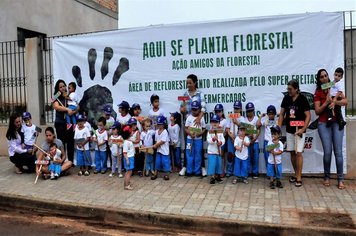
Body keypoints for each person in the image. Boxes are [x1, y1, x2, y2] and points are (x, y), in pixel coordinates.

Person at [314, 69, 348, 190]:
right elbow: (317, 111)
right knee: (327, 151)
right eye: (321, 77)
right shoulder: (318, 92)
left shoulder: (334, 86)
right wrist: (326, 102)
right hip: (323, 123)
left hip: (337, 122)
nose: (324, 78)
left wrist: (335, 102)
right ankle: (327, 177)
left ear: (328, 76)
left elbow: (345, 101)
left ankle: (340, 179)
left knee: (338, 151)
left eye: (325, 76)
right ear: (319, 79)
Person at [278, 79, 311, 187]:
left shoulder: (303, 99)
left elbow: (308, 116)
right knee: (292, 152)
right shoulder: (286, 98)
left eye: (290, 89)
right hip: (289, 130)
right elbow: (282, 114)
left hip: (300, 131)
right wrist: (278, 127)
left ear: (296, 89)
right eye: (288, 89)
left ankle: (299, 177)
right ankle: (297, 173)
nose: (289, 91)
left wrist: (303, 129)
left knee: (299, 153)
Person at [179, 74, 207, 176]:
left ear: (195, 82)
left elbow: (203, 108)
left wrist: (199, 118)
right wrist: (182, 110)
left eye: (190, 83)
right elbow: (181, 107)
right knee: (188, 147)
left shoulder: (200, 94)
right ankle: (186, 167)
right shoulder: (185, 94)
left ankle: (201, 168)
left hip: (198, 124)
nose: (188, 84)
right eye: (187, 83)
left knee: (199, 149)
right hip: (188, 124)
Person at [53, 79, 77, 163]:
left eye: (64, 86)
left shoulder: (70, 95)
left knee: (70, 142)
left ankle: (70, 161)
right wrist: (67, 109)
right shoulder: (56, 96)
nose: (63, 88)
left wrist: (74, 111)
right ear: (57, 88)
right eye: (60, 87)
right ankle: (62, 161)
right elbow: (56, 106)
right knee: (61, 143)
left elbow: (77, 105)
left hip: (69, 123)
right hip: (60, 123)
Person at [184, 101, 206, 176]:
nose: (194, 111)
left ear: (199, 109)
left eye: (196, 109)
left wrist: (200, 133)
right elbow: (186, 128)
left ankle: (197, 171)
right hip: (189, 139)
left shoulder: (201, 118)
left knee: (198, 155)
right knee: (189, 154)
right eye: (193, 109)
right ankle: (189, 171)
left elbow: (204, 129)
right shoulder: (189, 118)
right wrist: (190, 133)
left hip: (198, 140)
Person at [226, 101, 245, 177]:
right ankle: (229, 171)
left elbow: (244, 129)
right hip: (231, 138)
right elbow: (227, 128)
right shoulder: (230, 117)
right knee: (230, 155)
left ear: (240, 109)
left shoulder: (242, 118)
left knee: (239, 155)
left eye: (237, 109)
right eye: (235, 108)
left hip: (239, 139)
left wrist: (237, 123)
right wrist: (230, 135)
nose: (236, 110)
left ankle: (237, 171)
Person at [257, 105, 278, 170]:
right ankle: (269, 173)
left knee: (275, 157)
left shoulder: (277, 121)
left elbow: (285, 117)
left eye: (272, 114)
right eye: (269, 114)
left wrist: (278, 114)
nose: (271, 115)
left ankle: (275, 173)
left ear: (274, 114)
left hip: (274, 142)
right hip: (267, 142)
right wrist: (261, 117)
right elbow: (258, 124)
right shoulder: (265, 121)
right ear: (267, 114)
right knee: (267, 158)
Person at [207, 115, 225, 184]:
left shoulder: (220, 132)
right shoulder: (210, 132)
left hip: (218, 152)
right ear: (211, 123)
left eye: (216, 122)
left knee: (218, 164)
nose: (214, 123)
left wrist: (221, 143)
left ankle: (217, 176)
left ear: (219, 123)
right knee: (212, 164)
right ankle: (212, 177)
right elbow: (208, 140)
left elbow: (223, 140)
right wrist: (213, 139)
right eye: (213, 122)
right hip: (212, 152)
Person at [244, 102, 261, 179]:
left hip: (255, 141)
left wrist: (254, 139)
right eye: (248, 111)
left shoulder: (257, 119)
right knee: (247, 157)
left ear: (253, 110)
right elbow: (243, 131)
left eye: (251, 110)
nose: (249, 112)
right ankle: (248, 172)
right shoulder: (244, 120)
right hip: (247, 141)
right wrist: (248, 134)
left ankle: (255, 172)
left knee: (255, 157)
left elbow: (259, 130)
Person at [151, 115, 171, 180]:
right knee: (157, 162)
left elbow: (163, 141)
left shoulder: (165, 132)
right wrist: (155, 145)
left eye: (160, 124)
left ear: (163, 124)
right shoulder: (156, 132)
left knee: (165, 162)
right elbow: (156, 140)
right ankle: (155, 174)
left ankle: (166, 174)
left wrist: (156, 145)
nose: (159, 125)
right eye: (158, 124)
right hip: (159, 150)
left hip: (164, 150)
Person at [214, 104, 228, 177]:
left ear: (222, 112)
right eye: (216, 111)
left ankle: (222, 170)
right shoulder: (214, 120)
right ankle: (217, 171)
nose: (218, 113)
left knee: (222, 156)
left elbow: (226, 132)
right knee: (216, 156)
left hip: (222, 141)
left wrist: (221, 138)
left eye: (219, 111)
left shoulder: (225, 121)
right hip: (215, 141)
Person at [122, 125, 135, 190]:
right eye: (131, 131)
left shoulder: (128, 141)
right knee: (129, 172)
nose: (133, 132)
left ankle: (126, 183)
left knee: (129, 171)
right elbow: (124, 152)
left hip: (130, 157)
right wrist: (127, 160)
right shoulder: (126, 142)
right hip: (129, 158)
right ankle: (126, 185)